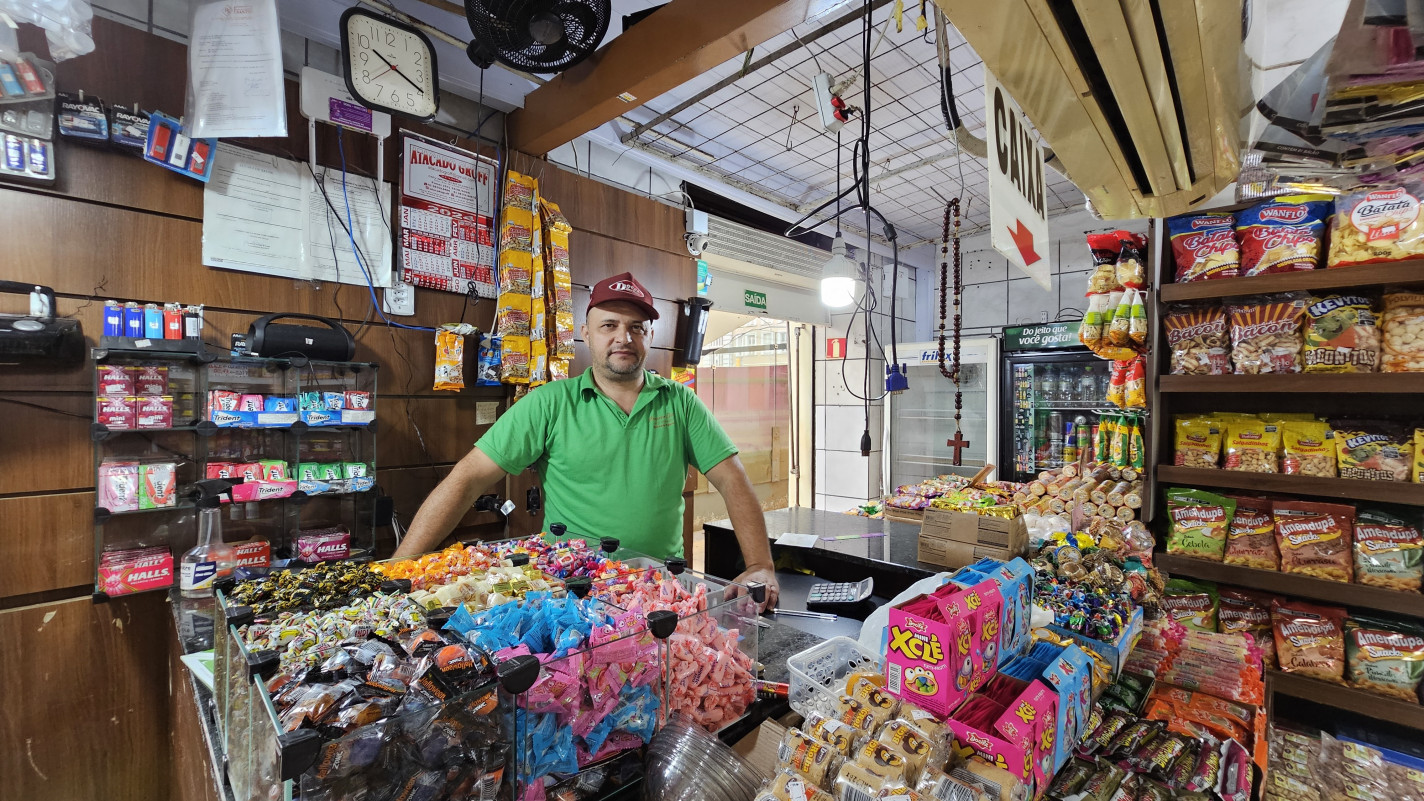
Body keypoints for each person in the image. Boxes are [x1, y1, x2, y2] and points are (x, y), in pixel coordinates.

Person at [392, 271, 781, 610]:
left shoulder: (679, 401)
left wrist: (761, 564)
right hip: (570, 590)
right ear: (586, 335)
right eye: (608, 325)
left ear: (648, 336)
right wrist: (398, 569)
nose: (623, 338)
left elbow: (732, 479)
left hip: (662, 588)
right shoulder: (549, 403)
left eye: (636, 328)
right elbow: (467, 479)